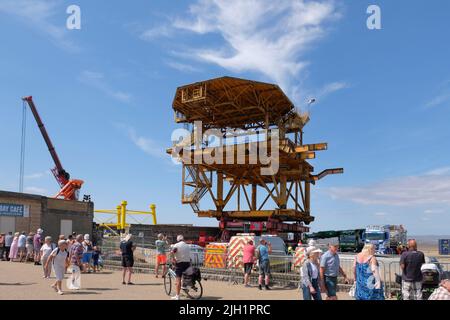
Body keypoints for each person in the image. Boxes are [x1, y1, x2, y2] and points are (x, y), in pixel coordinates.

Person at [170, 235, 191, 300]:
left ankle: (177, 296)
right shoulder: (187, 245)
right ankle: (185, 286)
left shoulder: (176, 245)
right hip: (187, 263)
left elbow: (172, 252)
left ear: (178, 240)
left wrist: (173, 259)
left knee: (178, 279)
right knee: (185, 276)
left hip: (180, 263)